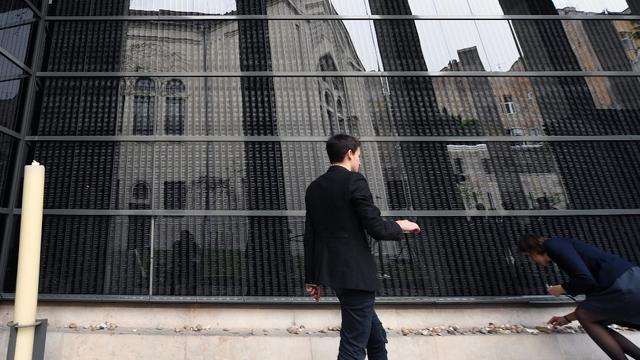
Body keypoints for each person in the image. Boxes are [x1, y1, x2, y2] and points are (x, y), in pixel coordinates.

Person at [304, 134, 421, 360]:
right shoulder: (354, 181)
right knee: (353, 346)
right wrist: (400, 225)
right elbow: (376, 227)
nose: (360, 161)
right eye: (359, 156)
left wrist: (312, 278)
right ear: (349, 154)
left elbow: (311, 235)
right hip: (356, 275)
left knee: (375, 339)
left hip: (336, 276)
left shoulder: (315, 188)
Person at [519, 234, 640, 360]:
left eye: (529, 256)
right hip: (630, 282)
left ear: (533, 250)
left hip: (625, 284)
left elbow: (585, 280)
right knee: (594, 320)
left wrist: (560, 288)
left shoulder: (552, 245)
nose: (533, 261)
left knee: (585, 314)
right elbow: (596, 307)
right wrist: (567, 318)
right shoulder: (561, 246)